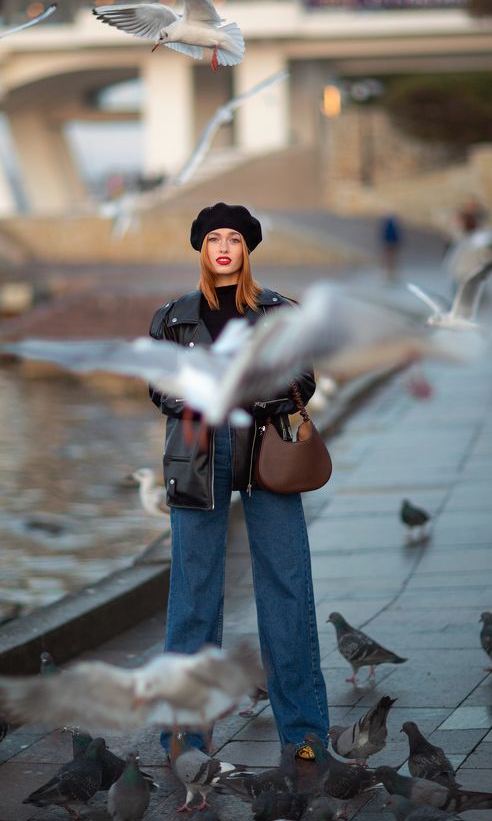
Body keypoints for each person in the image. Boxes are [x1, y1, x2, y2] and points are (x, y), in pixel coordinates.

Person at [148, 202, 329, 756]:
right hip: (198, 453)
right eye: (213, 239)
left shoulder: (279, 311)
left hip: (267, 451)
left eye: (234, 239)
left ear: (247, 249)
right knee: (193, 598)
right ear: (201, 248)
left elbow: (303, 380)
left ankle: (304, 736)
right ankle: (185, 735)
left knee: (287, 590)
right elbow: (159, 387)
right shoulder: (173, 316)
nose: (224, 247)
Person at [379, 212, 402, 280]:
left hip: (388, 243)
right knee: (392, 258)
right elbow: (397, 236)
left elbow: (383, 235)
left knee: (388, 258)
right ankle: (391, 273)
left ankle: (388, 273)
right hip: (392, 243)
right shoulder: (394, 226)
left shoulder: (386, 225)